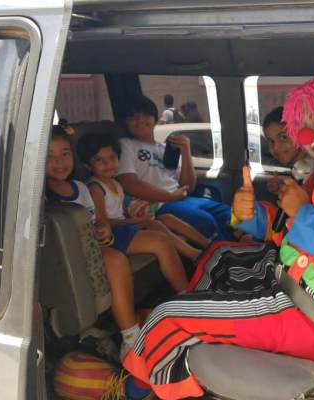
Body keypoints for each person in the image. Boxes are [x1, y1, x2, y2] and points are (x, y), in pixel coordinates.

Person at [121, 72, 314, 399]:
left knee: (166, 317)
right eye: (303, 125)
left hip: (312, 316)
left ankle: (130, 390)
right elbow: (294, 229)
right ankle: (192, 338)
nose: (307, 135)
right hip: (297, 288)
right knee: (219, 258)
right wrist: (251, 214)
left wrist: (301, 211)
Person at [45, 126, 188, 361]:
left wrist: (103, 227)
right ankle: (130, 338)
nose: (59, 162)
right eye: (49, 155)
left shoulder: (80, 188)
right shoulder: (43, 196)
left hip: (97, 242)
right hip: (73, 253)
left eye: (65, 154)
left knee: (161, 239)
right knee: (116, 260)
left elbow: (97, 218)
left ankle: (186, 298)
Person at [76, 132, 210, 261]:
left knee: (167, 218)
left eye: (112, 157)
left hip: (124, 225)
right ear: (87, 165)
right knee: (155, 225)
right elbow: (103, 223)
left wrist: (138, 218)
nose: (108, 164)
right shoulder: (95, 188)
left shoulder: (116, 184)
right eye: (99, 160)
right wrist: (136, 221)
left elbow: (123, 213)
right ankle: (195, 255)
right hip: (114, 233)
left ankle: (208, 245)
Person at [117, 96, 232, 240]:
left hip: (179, 199)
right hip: (152, 204)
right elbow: (129, 184)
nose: (140, 120)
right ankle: (225, 250)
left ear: (155, 118)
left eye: (145, 115)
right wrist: (170, 196)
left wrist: (186, 150)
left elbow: (188, 186)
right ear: (126, 123)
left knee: (228, 213)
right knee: (205, 221)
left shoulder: (167, 148)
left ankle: (238, 246)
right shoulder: (126, 144)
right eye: (133, 118)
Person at [261, 106, 314, 195]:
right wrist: (281, 189)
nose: (275, 147)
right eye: (271, 141)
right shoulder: (299, 170)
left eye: (283, 137)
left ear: (300, 133)